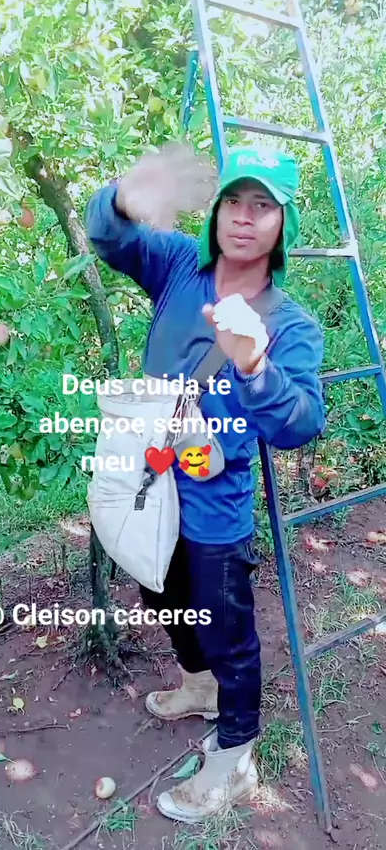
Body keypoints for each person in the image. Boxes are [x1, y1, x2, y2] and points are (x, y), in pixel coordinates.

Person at [85, 143, 326, 824]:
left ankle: (236, 751)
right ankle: (199, 687)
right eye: (233, 201)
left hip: (216, 504)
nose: (244, 217)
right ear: (216, 212)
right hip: (150, 484)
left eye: (263, 206)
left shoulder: (290, 324)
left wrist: (255, 368)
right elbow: (109, 236)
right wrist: (121, 198)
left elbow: (302, 423)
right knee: (159, 595)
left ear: (283, 225)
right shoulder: (175, 268)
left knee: (226, 631)